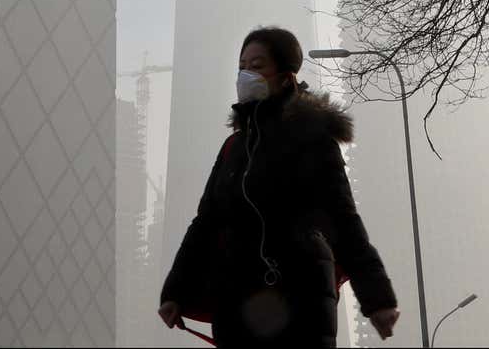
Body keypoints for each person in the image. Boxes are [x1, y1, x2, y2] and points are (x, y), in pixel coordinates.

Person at [157, 26, 401, 346]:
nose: (246, 74)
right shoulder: (233, 148)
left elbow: (343, 219)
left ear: (286, 77)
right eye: (242, 66)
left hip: (301, 302)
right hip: (236, 303)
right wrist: (175, 292)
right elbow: (206, 223)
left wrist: (377, 299)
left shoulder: (313, 140)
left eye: (257, 66)